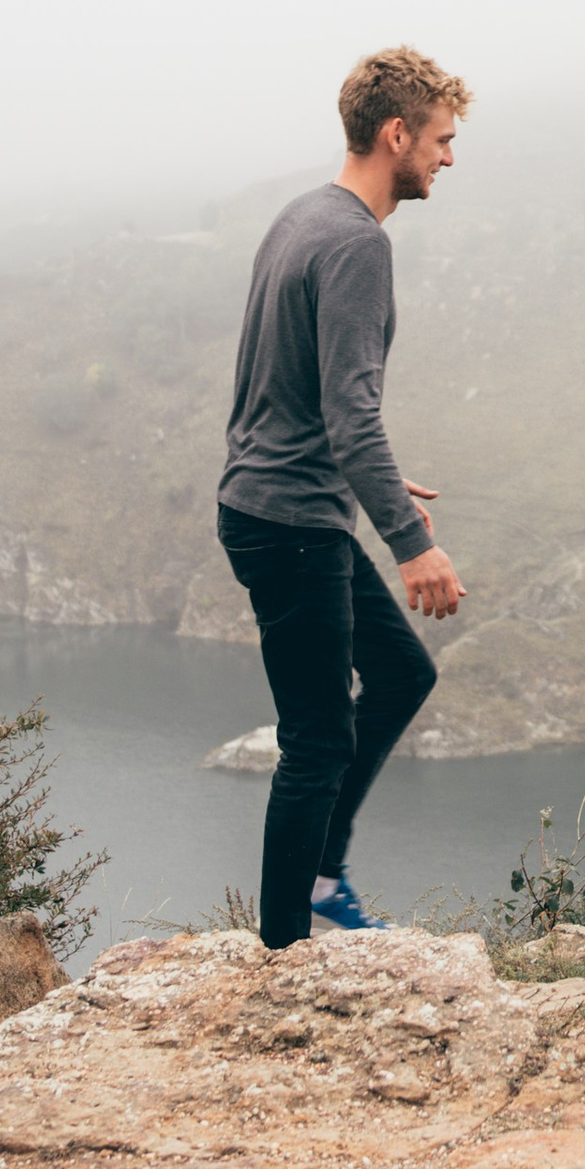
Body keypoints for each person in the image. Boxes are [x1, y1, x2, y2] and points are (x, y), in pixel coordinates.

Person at [215, 46, 469, 947]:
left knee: (402, 672)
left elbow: (296, 387)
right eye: (440, 140)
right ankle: (286, 950)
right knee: (317, 741)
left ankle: (322, 878)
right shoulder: (358, 243)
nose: (448, 158)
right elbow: (350, 413)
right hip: (290, 523)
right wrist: (412, 543)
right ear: (396, 134)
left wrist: (374, 479)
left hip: (273, 504)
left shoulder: (303, 215)